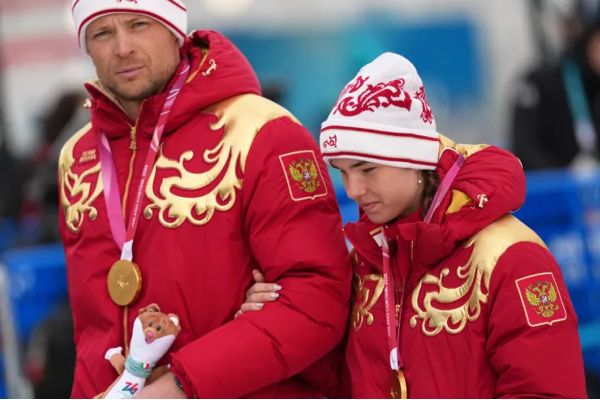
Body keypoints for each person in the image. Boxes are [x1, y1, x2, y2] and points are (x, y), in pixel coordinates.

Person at [239, 52, 588, 397]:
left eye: (367, 169)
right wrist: (278, 312)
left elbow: (548, 391)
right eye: (342, 172)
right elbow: (336, 380)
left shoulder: (512, 258)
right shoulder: (364, 262)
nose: (353, 190)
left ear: (413, 158)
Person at [58, 1, 351, 397]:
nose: (122, 48)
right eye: (102, 33)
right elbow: (93, 332)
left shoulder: (264, 133)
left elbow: (316, 301)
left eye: (139, 24)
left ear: (174, 30)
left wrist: (181, 385)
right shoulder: (79, 158)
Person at [511, 15, 600, 170]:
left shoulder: (593, 87)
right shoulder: (543, 82)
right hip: (551, 180)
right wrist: (563, 176)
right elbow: (525, 145)